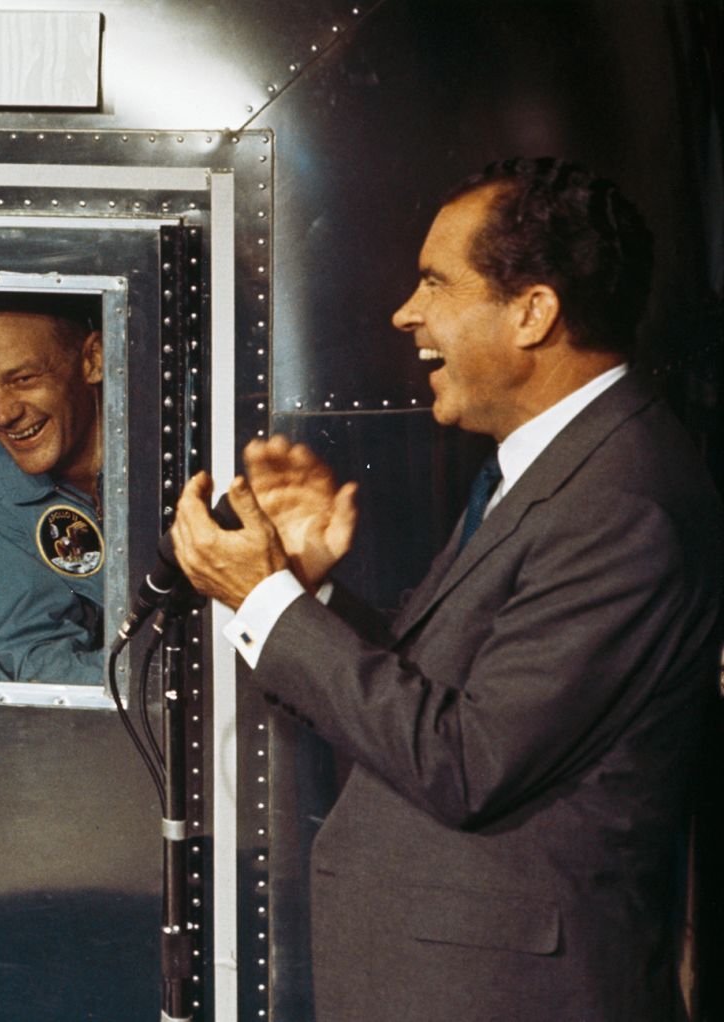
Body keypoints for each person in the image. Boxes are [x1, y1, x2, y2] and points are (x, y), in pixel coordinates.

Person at [170, 158, 722, 1020]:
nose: (406, 313)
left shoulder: (620, 503)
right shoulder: (563, 471)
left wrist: (264, 603)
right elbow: (449, 696)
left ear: (534, 312)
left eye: (435, 282)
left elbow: (467, 762)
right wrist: (304, 591)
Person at [0, 294, 105, 683]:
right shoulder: (2, 475)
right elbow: (33, 645)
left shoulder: (174, 455)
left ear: (93, 360)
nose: (3, 414)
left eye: (24, 380)